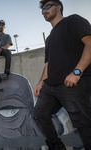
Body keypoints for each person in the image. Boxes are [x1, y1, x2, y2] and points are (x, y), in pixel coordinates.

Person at [33, 0, 91, 149]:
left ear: (59, 7)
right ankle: (56, 146)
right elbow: (48, 64)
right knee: (39, 114)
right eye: (42, 9)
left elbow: (89, 43)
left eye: (47, 6)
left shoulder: (73, 20)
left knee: (84, 124)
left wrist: (77, 72)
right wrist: (41, 83)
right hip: (51, 85)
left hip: (72, 82)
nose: (44, 11)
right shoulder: (50, 37)